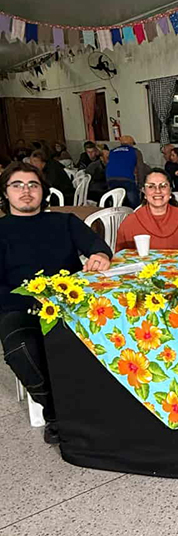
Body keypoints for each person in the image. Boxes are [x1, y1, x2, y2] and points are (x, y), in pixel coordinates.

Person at [0, 162, 112, 444]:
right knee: (22, 347)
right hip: (19, 306)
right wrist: (31, 300)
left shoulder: (64, 222)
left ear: (43, 190)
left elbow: (97, 245)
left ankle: (107, 404)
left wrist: (100, 255)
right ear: (5, 193)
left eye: (33, 185)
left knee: (110, 334)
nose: (26, 191)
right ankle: (56, 413)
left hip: (69, 303)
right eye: (17, 185)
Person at [115, 169, 178, 252]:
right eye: (151, 186)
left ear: (170, 190)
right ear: (144, 191)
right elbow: (120, 257)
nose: (158, 191)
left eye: (163, 186)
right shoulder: (130, 223)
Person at [105, 135, 139, 208]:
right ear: (131, 143)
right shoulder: (135, 151)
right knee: (134, 202)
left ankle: (114, 212)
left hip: (111, 178)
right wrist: (141, 185)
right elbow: (140, 168)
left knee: (116, 201)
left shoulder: (112, 151)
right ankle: (136, 213)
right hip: (127, 178)